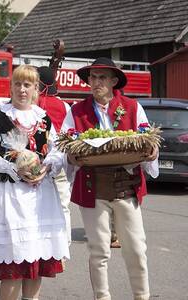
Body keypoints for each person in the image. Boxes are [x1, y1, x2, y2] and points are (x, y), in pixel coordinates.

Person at [62, 57, 159, 300]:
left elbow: (149, 143)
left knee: (136, 249)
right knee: (98, 251)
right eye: (93, 78)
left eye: (102, 77)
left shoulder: (133, 107)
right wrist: (71, 159)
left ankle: (141, 297)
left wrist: (153, 152)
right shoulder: (77, 110)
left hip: (127, 186)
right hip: (92, 187)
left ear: (114, 81)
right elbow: (63, 148)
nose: (96, 82)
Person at [0, 65, 69, 300]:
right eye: (17, 84)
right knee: (13, 265)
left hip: (41, 198)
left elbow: (58, 152)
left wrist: (46, 166)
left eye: (27, 85)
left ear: (36, 89)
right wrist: (14, 167)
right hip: (10, 197)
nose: (22, 89)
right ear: (11, 87)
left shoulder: (44, 118)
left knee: (35, 259)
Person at [36, 66, 72, 245]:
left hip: (39, 158)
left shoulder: (32, 103)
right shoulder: (64, 105)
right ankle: (64, 244)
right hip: (60, 155)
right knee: (63, 203)